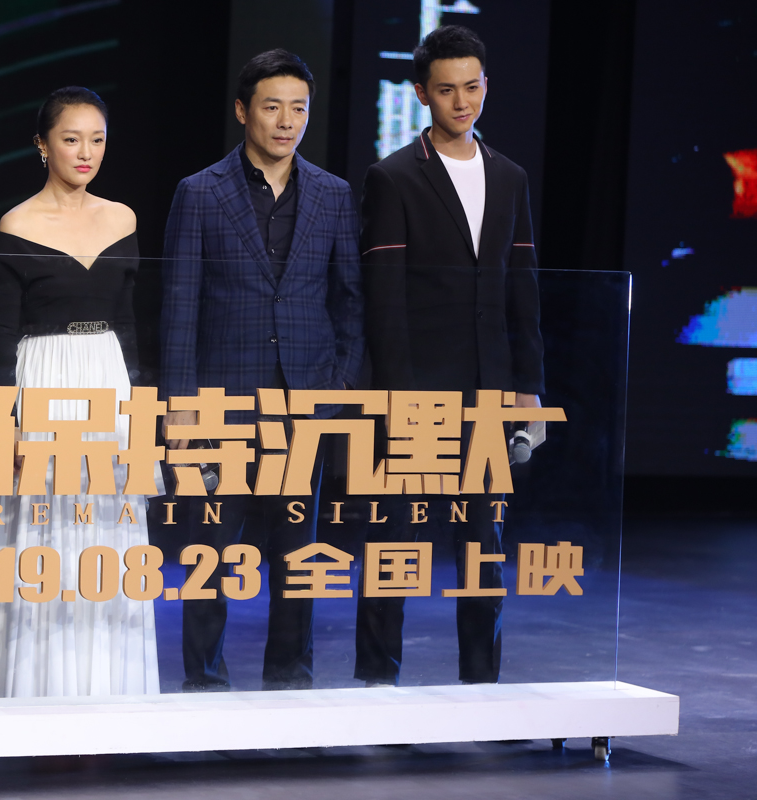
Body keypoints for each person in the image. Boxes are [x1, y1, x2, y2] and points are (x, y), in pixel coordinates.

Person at [160, 49, 364, 691]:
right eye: (272, 107)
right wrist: (180, 406)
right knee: (211, 552)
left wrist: (338, 388)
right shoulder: (200, 192)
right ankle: (204, 683)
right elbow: (180, 304)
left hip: (304, 404)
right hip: (221, 404)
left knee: (298, 555)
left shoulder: (333, 194)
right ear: (243, 110)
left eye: (298, 109)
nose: (286, 121)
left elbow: (349, 300)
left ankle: (291, 681)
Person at [0, 87, 160, 698]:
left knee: (107, 529)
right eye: (72, 139)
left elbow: (129, 326)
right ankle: (36, 689)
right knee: (42, 527)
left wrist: (141, 413)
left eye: (97, 140)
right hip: (44, 379)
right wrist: (7, 425)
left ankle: (106, 689)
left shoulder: (122, 218)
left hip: (108, 380)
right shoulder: (16, 225)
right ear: (42, 145)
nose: (86, 152)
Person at [356, 25, 545, 686]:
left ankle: (481, 684)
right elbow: (383, 301)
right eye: (446, 90)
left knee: (483, 548)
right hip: (417, 394)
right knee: (396, 545)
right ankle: (377, 685)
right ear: (421, 94)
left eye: (471, 87)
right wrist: (395, 399)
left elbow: (523, 290)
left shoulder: (510, 177)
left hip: (489, 391)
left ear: (486, 85)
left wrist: (528, 387)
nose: (461, 102)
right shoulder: (392, 177)